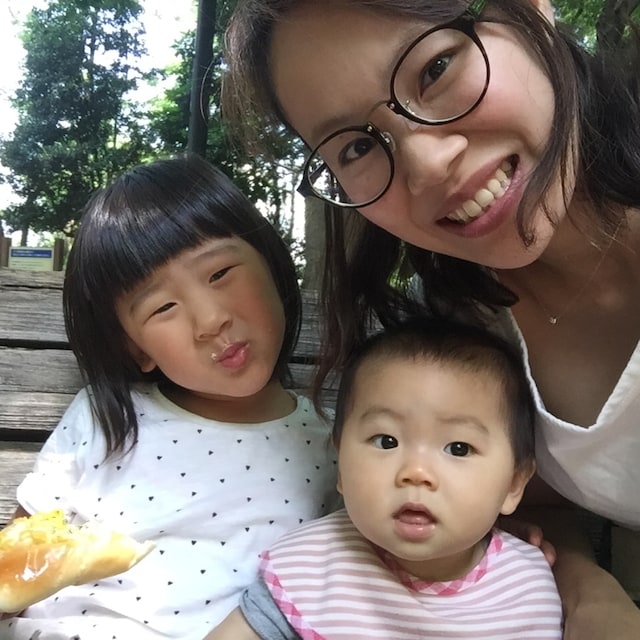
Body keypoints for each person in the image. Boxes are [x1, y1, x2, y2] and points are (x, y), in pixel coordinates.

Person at [221, 0, 640, 638]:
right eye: (358, 146)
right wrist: (589, 591)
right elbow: (539, 498)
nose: (426, 166)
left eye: (436, 69)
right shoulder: (462, 322)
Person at [0, 155, 339, 640]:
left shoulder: (335, 446)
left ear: (271, 264)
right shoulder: (104, 418)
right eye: (163, 307)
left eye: (220, 273)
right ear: (137, 350)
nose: (210, 320)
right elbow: (21, 552)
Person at [206, 320, 563, 640]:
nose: (416, 472)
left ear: (514, 484)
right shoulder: (314, 569)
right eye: (386, 441)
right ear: (341, 466)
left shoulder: (523, 591)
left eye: (458, 448)